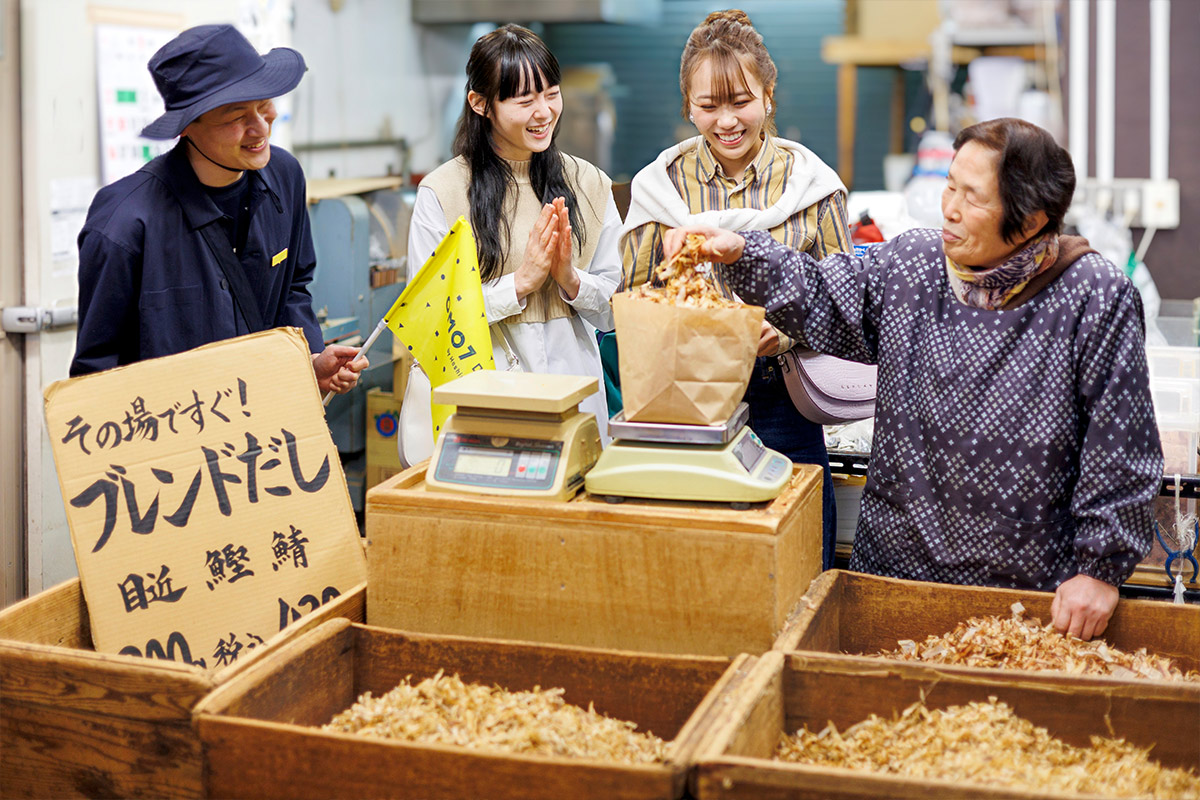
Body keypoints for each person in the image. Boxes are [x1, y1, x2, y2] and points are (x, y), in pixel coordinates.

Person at [662, 117, 1162, 640]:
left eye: (972, 197)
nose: (949, 207)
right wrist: (742, 250)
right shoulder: (914, 264)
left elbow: (1121, 445)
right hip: (895, 578)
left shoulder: (1094, 297)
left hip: (1025, 598)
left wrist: (1099, 570)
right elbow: (820, 292)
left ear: (1033, 218)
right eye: (949, 185)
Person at [619, 9, 849, 568]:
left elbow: (846, 301)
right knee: (699, 568)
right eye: (708, 106)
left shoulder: (812, 186)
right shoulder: (659, 189)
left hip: (783, 401)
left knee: (799, 565)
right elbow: (629, 300)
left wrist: (789, 334)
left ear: (768, 96)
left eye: (740, 101)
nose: (726, 120)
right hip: (683, 402)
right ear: (687, 107)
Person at [71, 24, 365, 395]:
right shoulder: (125, 221)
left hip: (266, 421)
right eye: (235, 116)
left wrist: (308, 362)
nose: (260, 127)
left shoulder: (285, 177)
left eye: (264, 105)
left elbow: (293, 287)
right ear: (187, 127)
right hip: (176, 433)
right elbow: (96, 373)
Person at [408, 24, 621, 443]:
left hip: (579, 398)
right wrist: (520, 284)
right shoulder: (443, 192)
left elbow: (618, 310)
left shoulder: (591, 184)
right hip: (484, 400)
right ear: (481, 104)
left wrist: (570, 279)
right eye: (525, 100)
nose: (543, 112)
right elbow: (428, 320)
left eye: (551, 93)